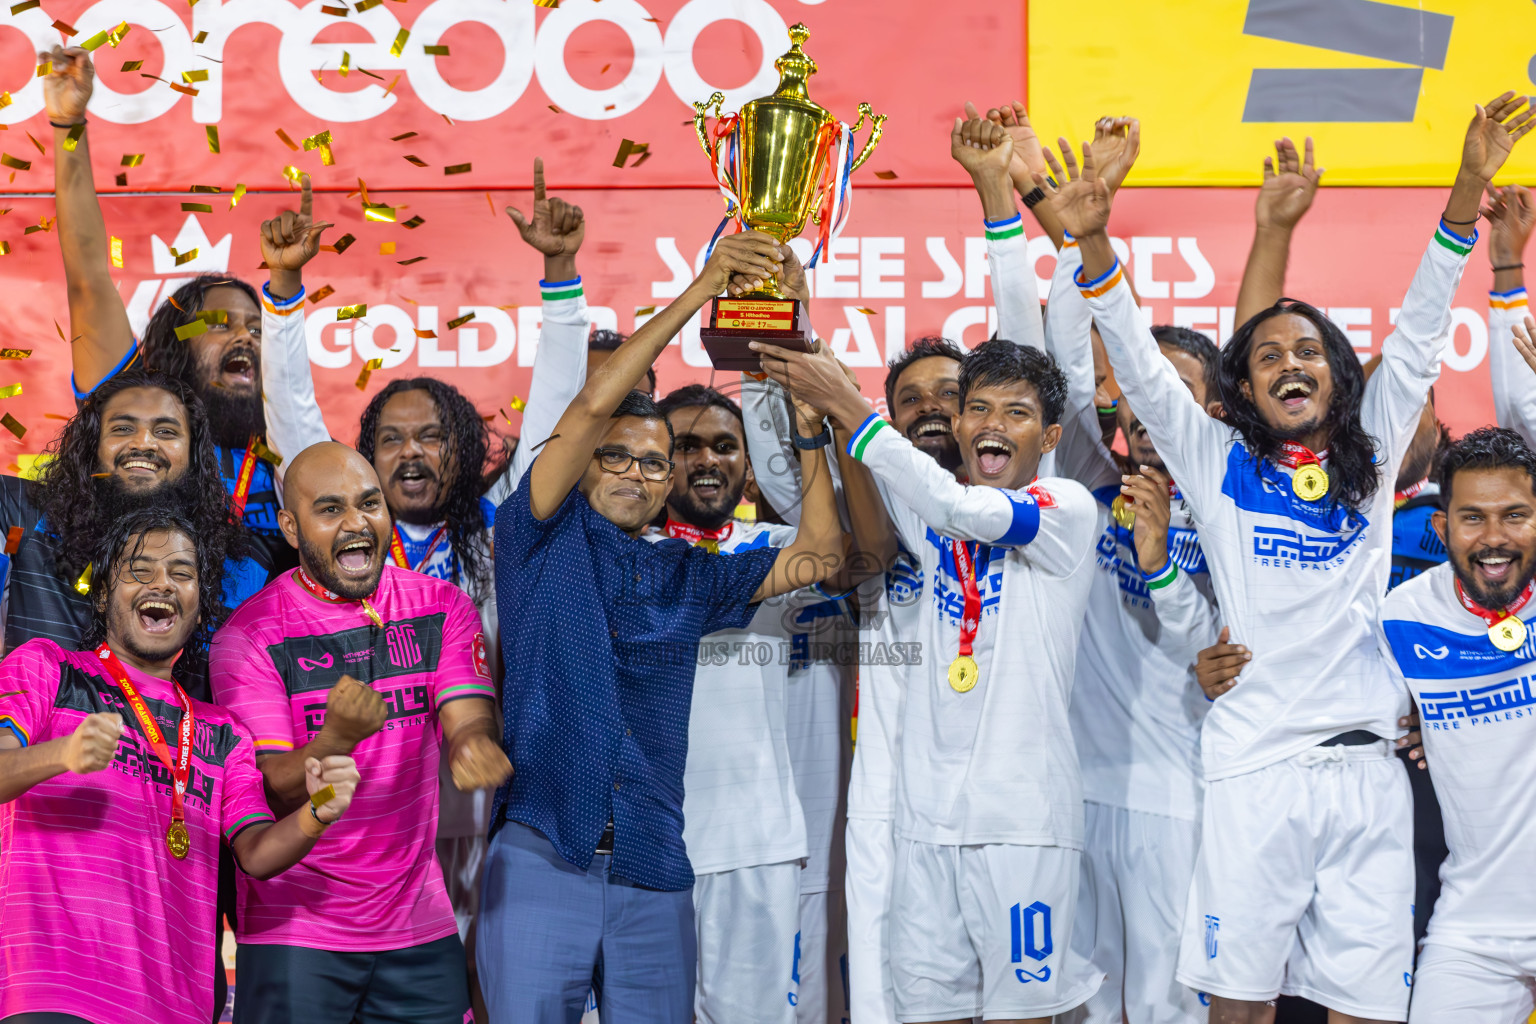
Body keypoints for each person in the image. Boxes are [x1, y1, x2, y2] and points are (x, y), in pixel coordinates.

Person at [1051, 93, 1532, 1023]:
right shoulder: (1215, 461)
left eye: (1307, 349)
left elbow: (1424, 325)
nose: (1288, 362)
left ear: (1338, 375)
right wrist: (1094, 247)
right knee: (1238, 1009)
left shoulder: (1373, 459)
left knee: (1364, 1012)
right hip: (1254, 774)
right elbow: (1144, 372)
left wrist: (1469, 185)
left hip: (1368, 780)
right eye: (1267, 355)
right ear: (1244, 388)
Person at [756, 124, 1107, 1015]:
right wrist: (795, 326)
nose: (984, 421)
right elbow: (905, 489)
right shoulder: (919, 508)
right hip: (920, 822)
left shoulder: (1063, 509)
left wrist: (1000, 201)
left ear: (1047, 434)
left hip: (1021, 823)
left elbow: (978, 483)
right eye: (970, 407)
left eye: (1009, 412)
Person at [478, 229, 846, 1022]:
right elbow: (585, 408)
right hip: (545, 852)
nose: (634, 474)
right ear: (583, 464)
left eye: (653, 463)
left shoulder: (690, 574)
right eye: (615, 456)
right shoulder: (536, 536)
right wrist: (701, 287)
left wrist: (811, 427)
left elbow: (818, 555)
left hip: (654, 865)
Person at [995, 116, 1220, 1024]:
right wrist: (1061, 216)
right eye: (1130, 391)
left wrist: (1167, 569)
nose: (1144, 407)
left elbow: (1213, 641)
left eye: (1176, 392)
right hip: (1072, 798)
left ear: (1213, 407)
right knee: (1074, 1010)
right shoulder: (1086, 478)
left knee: (1173, 1011)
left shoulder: (1233, 503)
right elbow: (1056, 350)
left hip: (1181, 802)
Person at [0, 508, 360, 1024]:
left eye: (182, 573)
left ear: (198, 604)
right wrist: (61, 754)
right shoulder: (47, 669)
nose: (163, 583)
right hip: (53, 993)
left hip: (175, 1005)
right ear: (103, 594)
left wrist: (318, 812)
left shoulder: (223, 733)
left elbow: (256, 854)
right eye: (140, 570)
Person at [210, 443, 510, 1024]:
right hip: (295, 927)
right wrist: (334, 741)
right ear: (291, 529)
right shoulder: (248, 636)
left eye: (369, 503)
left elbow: (468, 715)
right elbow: (270, 790)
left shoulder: (440, 605)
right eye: (331, 510)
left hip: (416, 918)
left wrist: (474, 743)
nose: (356, 523)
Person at [45, 46, 292, 579]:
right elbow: (87, 278)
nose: (245, 338)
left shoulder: (290, 453)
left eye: (256, 328)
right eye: (220, 325)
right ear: (174, 343)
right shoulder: (137, 411)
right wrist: (69, 125)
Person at [655, 383, 845, 1024]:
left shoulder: (772, 544)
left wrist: (814, 432)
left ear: (749, 463)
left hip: (753, 840)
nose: (707, 460)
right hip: (647, 840)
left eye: (725, 445)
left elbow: (830, 551)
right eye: (685, 446)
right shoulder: (623, 555)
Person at [1377, 427, 1536, 1022]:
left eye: (1515, 515)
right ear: (1442, 529)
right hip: (1474, 928)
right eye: (1472, 519)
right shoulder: (1402, 617)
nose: (1494, 539)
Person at [0, 370, 250, 680]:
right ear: (93, 443)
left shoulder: (232, 560)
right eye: (122, 428)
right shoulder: (21, 510)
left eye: (166, 432)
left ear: (195, 455)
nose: (144, 443)